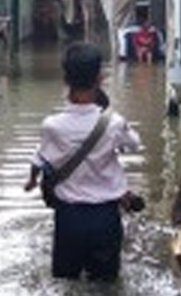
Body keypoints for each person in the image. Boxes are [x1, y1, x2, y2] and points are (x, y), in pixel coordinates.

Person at [24, 43, 142, 282]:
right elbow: (134, 144)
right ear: (100, 78)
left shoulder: (52, 126)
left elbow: (40, 158)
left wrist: (31, 180)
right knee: (106, 289)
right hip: (106, 219)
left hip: (69, 219)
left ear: (65, 80)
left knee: (65, 285)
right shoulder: (114, 123)